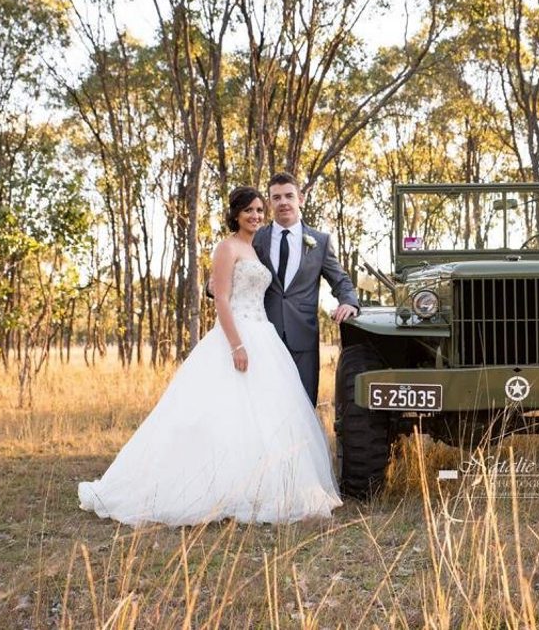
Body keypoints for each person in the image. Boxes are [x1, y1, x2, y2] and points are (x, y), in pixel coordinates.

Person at [78, 187, 342, 526]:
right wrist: (236, 345)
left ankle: (259, 487)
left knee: (264, 418)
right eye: (248, 210)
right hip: (238, 336)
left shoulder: (256, 247)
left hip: (264, 336)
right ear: (235, 215)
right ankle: (207, 489)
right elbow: (221, 298)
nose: (256, 216)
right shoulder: (226, 247)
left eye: (259, 210)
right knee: (221, 414)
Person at [252, 173, 360, 407]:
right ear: (270, 202)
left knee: (302, 405)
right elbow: (237, 269)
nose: (283, 202)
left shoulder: (320, 241)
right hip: (263, 335)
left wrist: (349, 302)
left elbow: (340, 279)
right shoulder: (257, 238)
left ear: (300, 198)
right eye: (276, 197)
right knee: (263, 406)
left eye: (288, 196)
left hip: (303, 337)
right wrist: (214, 287)